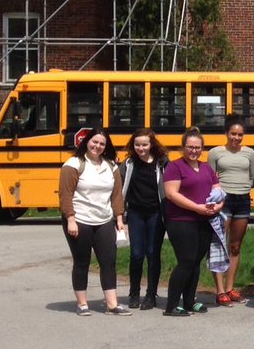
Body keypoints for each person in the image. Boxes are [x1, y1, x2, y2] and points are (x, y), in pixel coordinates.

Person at [59, 128, 130, 316]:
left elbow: (116, 195)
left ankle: (112, 304)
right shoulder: (73, 164)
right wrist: (71, 220)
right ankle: (82, 304)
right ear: (86, 141)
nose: (97, 146)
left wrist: (119, 219)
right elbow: (66, 195)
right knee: (82, 262)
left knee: (109, 261)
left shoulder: (111, 166)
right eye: (94, 142)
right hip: (79, 219)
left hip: (104, 220)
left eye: (102, 144)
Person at [162, 128, 219, 317]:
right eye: (190, 147)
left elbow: (218, 190)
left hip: (204, 220)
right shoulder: (175, 167)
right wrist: (197, 207)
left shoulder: (206, 168)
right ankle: (171, 305)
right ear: (183, 147)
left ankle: (189, 301)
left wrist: (218, 205)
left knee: (196, 262)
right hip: (181, 220)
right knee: (186, 261)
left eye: (197, 147)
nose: (193, 150)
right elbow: (171, 194)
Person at [208, 115, 254, 306]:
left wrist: (242, 188)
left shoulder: (249, 153)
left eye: (240, 134)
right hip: (223, 201)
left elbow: (251, 176)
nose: (236, 138)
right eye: (233, 134)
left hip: (243, 200)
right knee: (219, 244)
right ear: (226, 133)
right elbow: (211, 178)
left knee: (235, 246)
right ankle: (219, 291)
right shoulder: (215, 152)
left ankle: (230, 287)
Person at [121, 127, 168, 311]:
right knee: (136, 254)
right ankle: (134, 293)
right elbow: (118, 187)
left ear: (152, 144)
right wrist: (119, 214)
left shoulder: (162, 163)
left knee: (153, 253)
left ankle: (151, 294)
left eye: (145, 144)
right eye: (137, 145)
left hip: (156, 213)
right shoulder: (129, 164)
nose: (141, 148)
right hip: (136, 213)